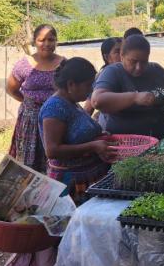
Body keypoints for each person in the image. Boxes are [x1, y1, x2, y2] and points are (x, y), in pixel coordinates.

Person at [39, 58, 118, 204]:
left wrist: (98, 138)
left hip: (90, 177)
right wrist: (93, 146)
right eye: (88, 85)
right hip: (71, 184)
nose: (91, 91)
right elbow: (52, 150)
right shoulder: (55, 107)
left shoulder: (71, 103)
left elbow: (77, 135)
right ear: (71, 84)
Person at [91, 35, 164, 139]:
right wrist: (135, 98)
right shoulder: (112, 72)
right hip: (125, 144)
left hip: (160, 141)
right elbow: (97, 100)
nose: (138, 67)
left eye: (144, 62)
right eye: (133, 61)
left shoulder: (156, 69)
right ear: (122, 56)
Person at [7, 25, 63, 172]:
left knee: (55, 162)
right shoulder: (24, 65)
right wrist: (29, 103)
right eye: (41, 40)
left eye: (51, 39)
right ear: (34, 42)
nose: (46, 44)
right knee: (28, 166)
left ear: (56, 41)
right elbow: (11, 89)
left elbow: (70, 91)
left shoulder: (64, 65)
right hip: (29, 121)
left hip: (56, 120)